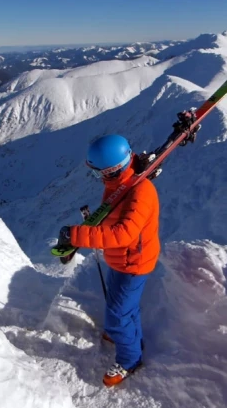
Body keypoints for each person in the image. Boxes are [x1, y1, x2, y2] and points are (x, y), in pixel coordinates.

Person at [57, 134, 160, 387]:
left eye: (100, 173)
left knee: (118, 314)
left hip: (133, 263)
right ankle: (129, 337)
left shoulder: (140, 192)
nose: (99, 178)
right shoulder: (119, 183)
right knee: (123, 307)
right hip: (120, 260)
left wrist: (77, 235)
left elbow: (123, 233)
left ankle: (129, 360)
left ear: (115, 170)